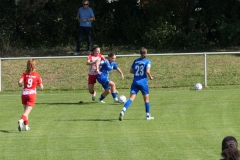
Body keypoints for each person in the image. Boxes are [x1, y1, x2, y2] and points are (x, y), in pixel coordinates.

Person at [119, 47, 154, 121]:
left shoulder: (136, 61)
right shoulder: (147, 61)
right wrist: (150, 76)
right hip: (143, 82)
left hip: (135, 82)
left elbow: (131, 71)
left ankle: (123, 111)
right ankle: (148, 116)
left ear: (140, 53)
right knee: (146, 100)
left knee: (131, 98)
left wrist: (137, 73)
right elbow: (147, 71)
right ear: (146, 53)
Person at [17, 59, 43, 132]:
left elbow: (19, 81)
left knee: (25, 111)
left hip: (24, 94)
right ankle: (21, 120)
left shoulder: (25, 74)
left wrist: (20, 84)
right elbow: (41, 87)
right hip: (31, 94)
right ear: (34, 66)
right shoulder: (37, 75)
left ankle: (26, 127)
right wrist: (37, 83)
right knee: (26, 112)